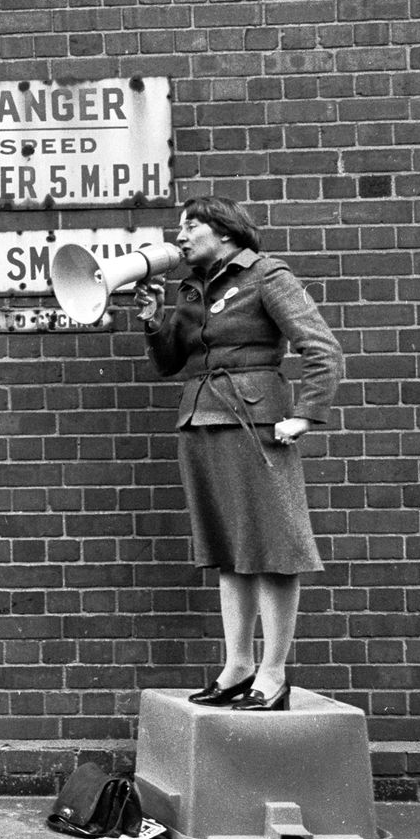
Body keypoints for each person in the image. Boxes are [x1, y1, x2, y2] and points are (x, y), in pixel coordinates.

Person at [137, 196, 344, 713]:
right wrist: (152, 320)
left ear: (226, 232)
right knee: (229, 552)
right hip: (201, 422)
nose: (180, 235)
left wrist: (305, 413)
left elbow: (321, 347)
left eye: (192, 226)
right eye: (179, 227)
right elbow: (170, 363)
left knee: (273, 551)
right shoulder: (192, 288)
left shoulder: (265, 275)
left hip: (255, 425)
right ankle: (238, 667)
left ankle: (273, 675)